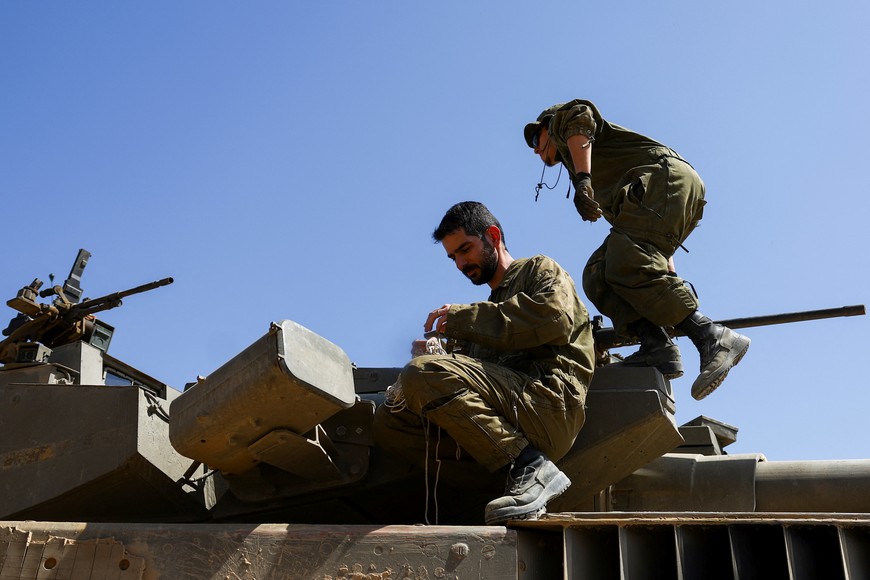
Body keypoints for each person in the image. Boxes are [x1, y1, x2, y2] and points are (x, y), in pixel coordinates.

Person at [372, 201, 595, 525]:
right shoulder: (484, 314)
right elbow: (469, 389)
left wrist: (462, 321)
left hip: (549, 403)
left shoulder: (538, 270)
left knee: (423, 374)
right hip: (509, 417)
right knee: (388, 425)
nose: (461, 263)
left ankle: (531, 466)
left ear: (492, 236)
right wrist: (440, 356)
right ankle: (510, 472)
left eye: (466, 249)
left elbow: (554, 318)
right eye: (454, 258)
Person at [523, 99, 750, 400]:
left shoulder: (565, 126)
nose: (536, 150)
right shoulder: (600, 170)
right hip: (659, 196)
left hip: (664, 179)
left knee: (622, 260)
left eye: (536, 139)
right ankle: (657, 347)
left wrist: (582, 183)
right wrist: (663, 272)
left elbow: (580, 117)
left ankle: (712, 336)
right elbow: (635, 236)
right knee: (598, 274)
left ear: (549, 125)